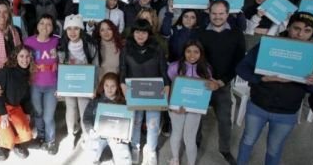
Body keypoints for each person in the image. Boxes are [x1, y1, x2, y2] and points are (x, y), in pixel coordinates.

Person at [236, 12, 313, 165]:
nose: (300, 34)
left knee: (274, 148)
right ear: (288, 27)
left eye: (307, 31)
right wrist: (261, 78)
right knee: (247, 141)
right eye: (296, 28)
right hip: (258, 105)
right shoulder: (269, 44)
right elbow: (242, 68)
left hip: (287, 112)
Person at [197, 0, 246, 165]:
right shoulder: (200, 32)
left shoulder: (237, 33)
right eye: (214, 13)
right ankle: (196, 142)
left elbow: (239, 62)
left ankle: (224, 149)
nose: (217, 17)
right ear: (209, 13)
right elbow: (193, 57)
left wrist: (222, 81)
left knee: (225, 120)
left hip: (223, 84)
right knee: (196, 116)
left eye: (221, 13)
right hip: (202, 83)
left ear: (227, 13)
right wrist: (204, 78)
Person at [119, 19, 169, 165]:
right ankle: (135, 147)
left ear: (149, 33)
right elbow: (123, 69)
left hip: (154, 92)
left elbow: (163, 69)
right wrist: (123, 86)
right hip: (134, 91)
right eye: (137, 32)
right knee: (136, 121)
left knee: (153, 123)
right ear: (133, 33)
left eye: (144, 32)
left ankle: (151, 151)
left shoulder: (157, 48)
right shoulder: (126, 48)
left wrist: (166, 87)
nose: (140, 35)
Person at [167, 40, 218, 165]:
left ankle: (191, 163)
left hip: (195, 109)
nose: (192, 55)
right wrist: (172, 106)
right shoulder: (174, 67)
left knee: (189, 138)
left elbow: (211, 86)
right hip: (176, 108)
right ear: (184, 52)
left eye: (196, 52)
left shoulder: (206, 69)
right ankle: (175, 159)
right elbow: (168, 87)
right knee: (176, 134)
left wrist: (214, 85)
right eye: (188, 51)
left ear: (201, 53)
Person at [58, 14, 99, 149]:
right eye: (69, 29)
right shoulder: (62, 46)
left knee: (84, 110)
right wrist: (59, 87)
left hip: (84, 84)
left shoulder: (90, 45)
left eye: (76, 28)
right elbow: (60, 67)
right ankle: (70, 135)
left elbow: (96, 66)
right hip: (69, 83)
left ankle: (86, 136)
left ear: (81, 30)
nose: (72, 32)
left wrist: (94, 86)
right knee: (70, 108)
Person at [0, 45, 34, 160]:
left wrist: (27, 112)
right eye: (21, 56)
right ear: (15, 57)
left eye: (28, 56)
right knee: (8, 142)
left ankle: (14, 143)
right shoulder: (5, 71)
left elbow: (27, 96)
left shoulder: (27, 73)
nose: (25, 59)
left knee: (28, 135)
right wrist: (3, 114)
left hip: (15, 106)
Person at [24, 14, 60, 155]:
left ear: (52, 28)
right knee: (38, 113)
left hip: (52, 84)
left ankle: (50, 141)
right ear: (37, 25)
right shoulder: (28, 42)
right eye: (42, 23)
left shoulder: (57, 41)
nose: (45, 26)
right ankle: (40, 137)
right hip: (35, 84)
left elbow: (63, 63)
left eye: (49, 24)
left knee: (48, 116)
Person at [82, 72, 132, 165]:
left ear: (117, 87)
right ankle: (93, 154)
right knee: (89, 157)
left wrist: (123, 136)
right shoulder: (96, 101)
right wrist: (91, 130)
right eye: (107, 85)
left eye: (113, 86)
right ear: (103, 86)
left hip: (116, 136)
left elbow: (128, 123)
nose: (109, 89)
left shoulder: (123, 102)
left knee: (125, 160)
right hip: (98, 135)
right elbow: (87, 118)